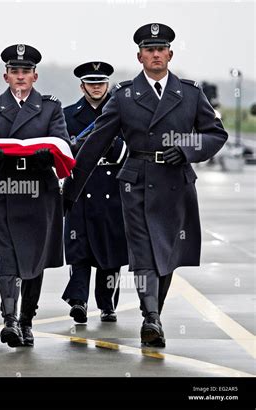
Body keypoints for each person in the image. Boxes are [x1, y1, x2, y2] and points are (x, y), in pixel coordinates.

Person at [63, 23, 228, 347]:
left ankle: (154, 311)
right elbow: (95, 143)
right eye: (149, 50)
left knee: (167, 255)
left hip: (175, 182)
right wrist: (70, 191)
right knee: (143, 254)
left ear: (170, 54)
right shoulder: (124, 96)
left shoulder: (190, 93)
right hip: (135, 182)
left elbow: (215, 134)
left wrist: (186, 148)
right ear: (139, 56)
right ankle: (150, 317)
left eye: (160, 49)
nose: (155, 54)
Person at [0, 44, 71, 347]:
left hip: (39, 191)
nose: (20, 76)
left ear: (35, 76)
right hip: (4, 189)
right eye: (14, 71)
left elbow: (64, 143)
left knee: (34, 259)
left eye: (25, 71)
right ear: (5, 76)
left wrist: (45, 154)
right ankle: (10, 320)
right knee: (7, 257)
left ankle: (27, 318)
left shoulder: (51, 107)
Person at [62, 61, 128, 324]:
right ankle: (78, 300)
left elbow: (125, 150)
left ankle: (107, 303)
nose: (97, 87)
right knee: (79, 249)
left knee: (110, 251)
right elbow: (65, 151)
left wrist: (99, 145)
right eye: (91, 83)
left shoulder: (121, 113)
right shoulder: (68, 115)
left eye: (101, 83)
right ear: (82, 86)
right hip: (81, 188)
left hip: (111, 188)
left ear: (107, 85)